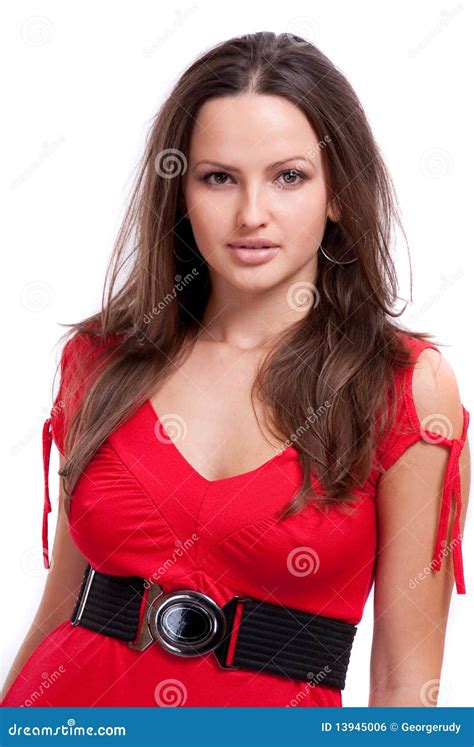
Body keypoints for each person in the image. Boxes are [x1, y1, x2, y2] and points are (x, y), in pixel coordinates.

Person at [2, 31, 470, 708]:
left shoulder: (405, 387)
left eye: (289, 176)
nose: (252, 214)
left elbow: (405, 684)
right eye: (218, 177)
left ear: (337, 193)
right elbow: (58, 614)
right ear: (181, 192)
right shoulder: (102, 361)